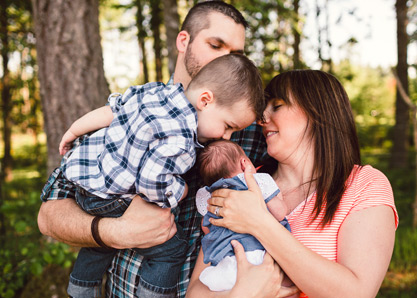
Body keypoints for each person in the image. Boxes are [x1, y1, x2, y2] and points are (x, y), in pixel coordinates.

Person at [36, 2, 295, 297]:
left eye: (236, 54)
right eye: (216, 44)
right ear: (184, 41)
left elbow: (305, 168)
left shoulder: (248, 133)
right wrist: (113, 231)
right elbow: (48, 215)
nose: (225, 59)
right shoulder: (135, 109)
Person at [51, 52, 264, 298]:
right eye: (228, 126)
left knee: (101, 245)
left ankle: (80, 288)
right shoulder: (182, 141)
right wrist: (180, 191)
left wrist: (73, 130)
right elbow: (151, 182)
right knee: (173, 250)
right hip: (114, 198)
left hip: (89, 187)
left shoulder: (154, 92)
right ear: (205, 101)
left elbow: (111, 111)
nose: (226, 137)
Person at [186, 70, 397, 297]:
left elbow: (357, 292)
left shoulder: (364, 185)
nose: (261, 119)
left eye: (277, 106)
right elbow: (196, 290)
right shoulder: (241, 181)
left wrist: (259, 222)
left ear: (318, 112)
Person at [193, 140, 290, 292]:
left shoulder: (212, 196)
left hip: (226, 256)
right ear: (245, 163)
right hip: (256, 253)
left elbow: (206, 227)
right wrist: (281, 201)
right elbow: (279, 213)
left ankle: (221, 276)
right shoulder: (258, 181)